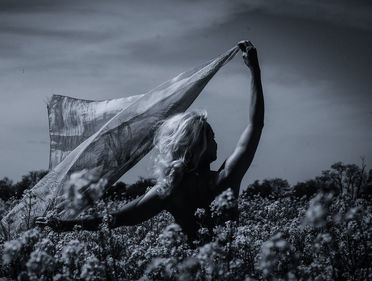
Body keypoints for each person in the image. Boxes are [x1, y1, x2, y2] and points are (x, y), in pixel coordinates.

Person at [36, 40, 264, 245]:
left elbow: (119, 219)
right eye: (211, 138)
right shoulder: (226, 178)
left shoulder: (170, 190)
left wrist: (64, 226)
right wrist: (254, 70)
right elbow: (255, 125)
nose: (217, 142)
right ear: (199, 146)